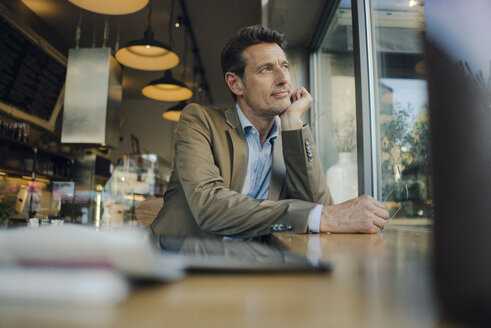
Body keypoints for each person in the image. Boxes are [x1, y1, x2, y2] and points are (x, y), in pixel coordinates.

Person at [150, 25, 389, 238]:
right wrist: (321, 216)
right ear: (235, 83)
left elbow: (317, 205)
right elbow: (209, 206)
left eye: (284, 66)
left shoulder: (289, 138)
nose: (284, 78)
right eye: (266, 69)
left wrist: (294, 124)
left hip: (250, 264)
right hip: (182, 266)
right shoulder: (198, 120)